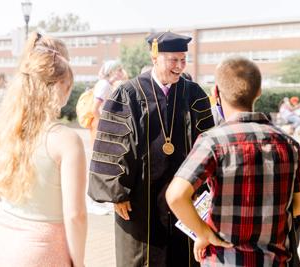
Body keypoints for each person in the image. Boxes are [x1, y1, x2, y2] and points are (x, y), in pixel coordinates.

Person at [166, 57, 300, 266]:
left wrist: (204, 232)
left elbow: (175, 196)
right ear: (259, 92)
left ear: (215, 92)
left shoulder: (213, 142)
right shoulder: (289, 144)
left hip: (225, 259)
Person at [88, 31, 214, 267]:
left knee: (184, 257)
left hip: (185, 196)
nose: (179, 66)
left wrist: (204, 187)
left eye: (183, 60)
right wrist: (117, 193)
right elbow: (112, 144)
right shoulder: (128, 94)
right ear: (155, 57)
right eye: (173, 60)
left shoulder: (194, 94)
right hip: (139, 198)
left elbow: (207, 144)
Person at [0, 32, 87, 267]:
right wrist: (79, 262)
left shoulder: (8, 129)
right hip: (45, 251)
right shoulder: (66, 140)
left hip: (5, 242)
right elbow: (75, 215)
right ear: (59, 86)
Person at [90, 60, 126, 143]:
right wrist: (104, 126)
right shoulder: (104, 85)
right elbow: (94, 109)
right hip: (100, 126)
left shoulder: (108, 84)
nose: (122, 72)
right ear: (111, 71)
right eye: (119, 70)